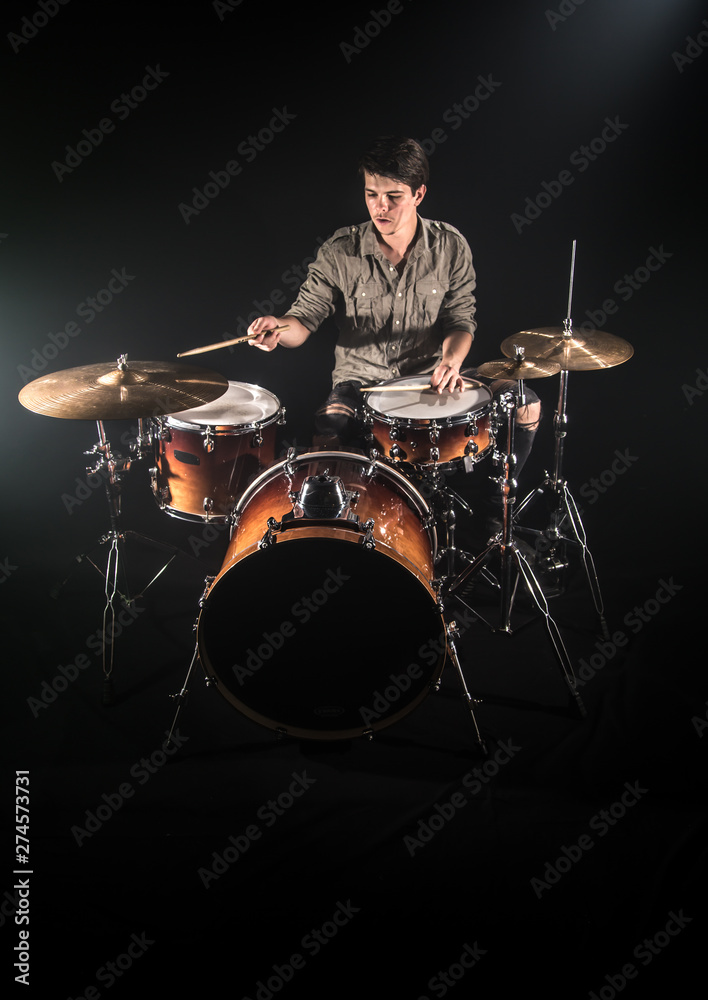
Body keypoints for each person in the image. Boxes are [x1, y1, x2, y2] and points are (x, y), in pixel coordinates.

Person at [246, 135, 540, 477]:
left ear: (419, 194)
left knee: (525, 403)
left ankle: (495, 514)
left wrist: (451, 361)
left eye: (393, 197)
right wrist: (277, 330)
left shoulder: (450, 246)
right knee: (328, 438)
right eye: (371, 195)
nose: (379, 207)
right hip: (359, 385)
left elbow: (461, 321)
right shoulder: (340, 250)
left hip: (429, 379)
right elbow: (302, 319)